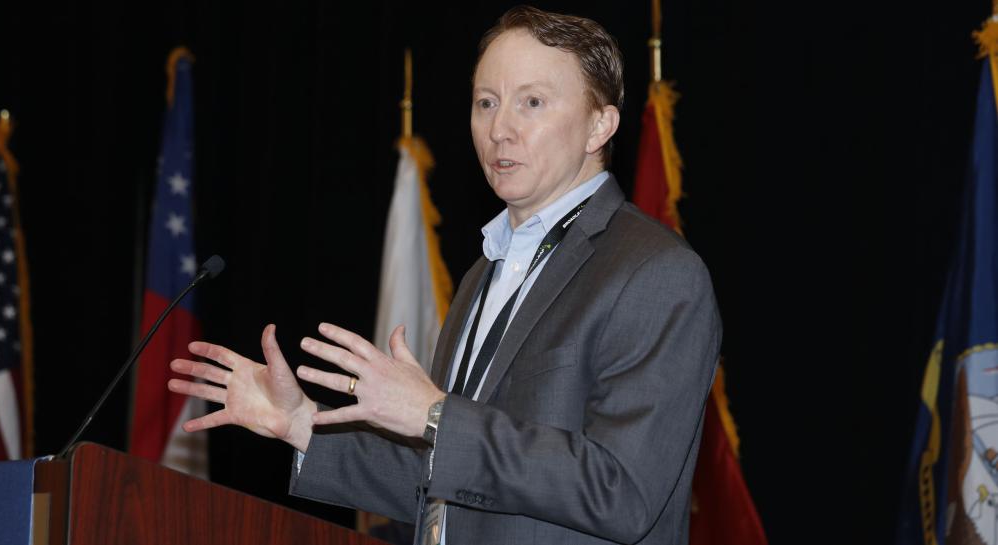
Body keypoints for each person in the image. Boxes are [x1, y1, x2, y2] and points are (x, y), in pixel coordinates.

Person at [168, 6, 721, 545]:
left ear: (599, 124)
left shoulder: (655, 272)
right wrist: (301, 424)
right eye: (486, 102)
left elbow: (620, 492)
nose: (500, 128)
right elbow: (447, 478)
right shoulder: (485, 273)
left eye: (532, 102)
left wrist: (435, 414)